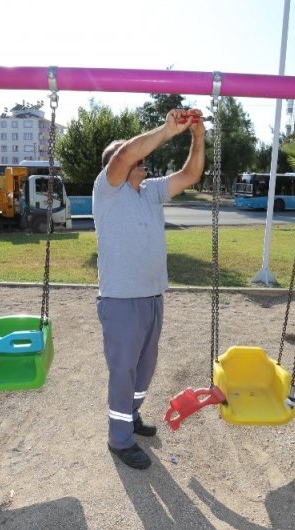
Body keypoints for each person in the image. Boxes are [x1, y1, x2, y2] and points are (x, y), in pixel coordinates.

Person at [93, 108, 205, 469]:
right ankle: (118, 439)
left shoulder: (151, 191)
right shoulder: (107, 190)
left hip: (153, 297)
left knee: (144, 370)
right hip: (121, 302)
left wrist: (197, 137)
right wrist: (167, 130)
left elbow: (191, 174)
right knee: (123, 371)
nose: (142, 160)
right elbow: (125, 153)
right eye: (135, 157)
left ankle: (131, 415)